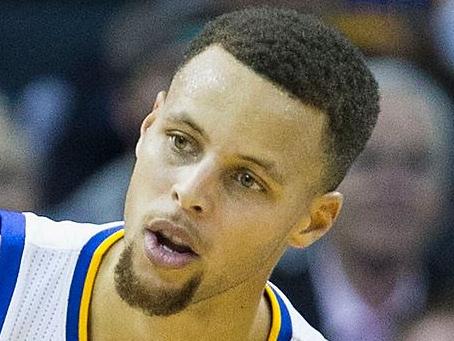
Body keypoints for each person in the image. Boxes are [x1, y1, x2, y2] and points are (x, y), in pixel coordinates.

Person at [0, 7, 379, 340]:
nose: (190, 191)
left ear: (312, 223)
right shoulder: (10, 268)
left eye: (246, 179)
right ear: (149, 126)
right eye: (182, 141)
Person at [271, 58, 453, 340]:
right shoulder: (263, 305)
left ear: (444, 190)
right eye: (369, 162)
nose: (392, 187)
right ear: (322, 181)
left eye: (414, 164)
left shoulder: (447, 301)